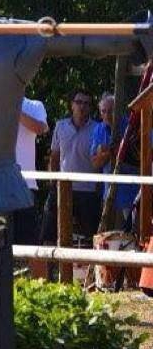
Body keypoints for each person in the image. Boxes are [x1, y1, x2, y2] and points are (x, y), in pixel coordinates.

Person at [40, 90, 101, 244]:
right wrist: (52, 180)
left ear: (91, 108)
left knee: (89, 236)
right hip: (62, 187)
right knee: (49, 232)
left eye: (86, 103)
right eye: (79, 102)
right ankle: (50, 266)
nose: (82, 106)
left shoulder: (97, 129)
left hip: (88, 189)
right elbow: (54, 156)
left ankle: (87, 266)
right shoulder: (60, 126)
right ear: (71, 105)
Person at [90, 92, 139, 229]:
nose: (106, 115)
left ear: (118, 110)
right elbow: (95, 162)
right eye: (103, 112)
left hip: (131, 194)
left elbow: (141, 154)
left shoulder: (132, 127)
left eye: (110, 111)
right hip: (109, 196)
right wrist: (112, 152)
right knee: (111, 237)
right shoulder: (99, 130)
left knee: (133, 235)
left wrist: (107, 151)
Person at [13, 96, 48, 276]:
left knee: (32, 242)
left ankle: (42, 289)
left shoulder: (34, 105)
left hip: (25, 185)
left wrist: (12, 107)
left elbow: (41, 128)